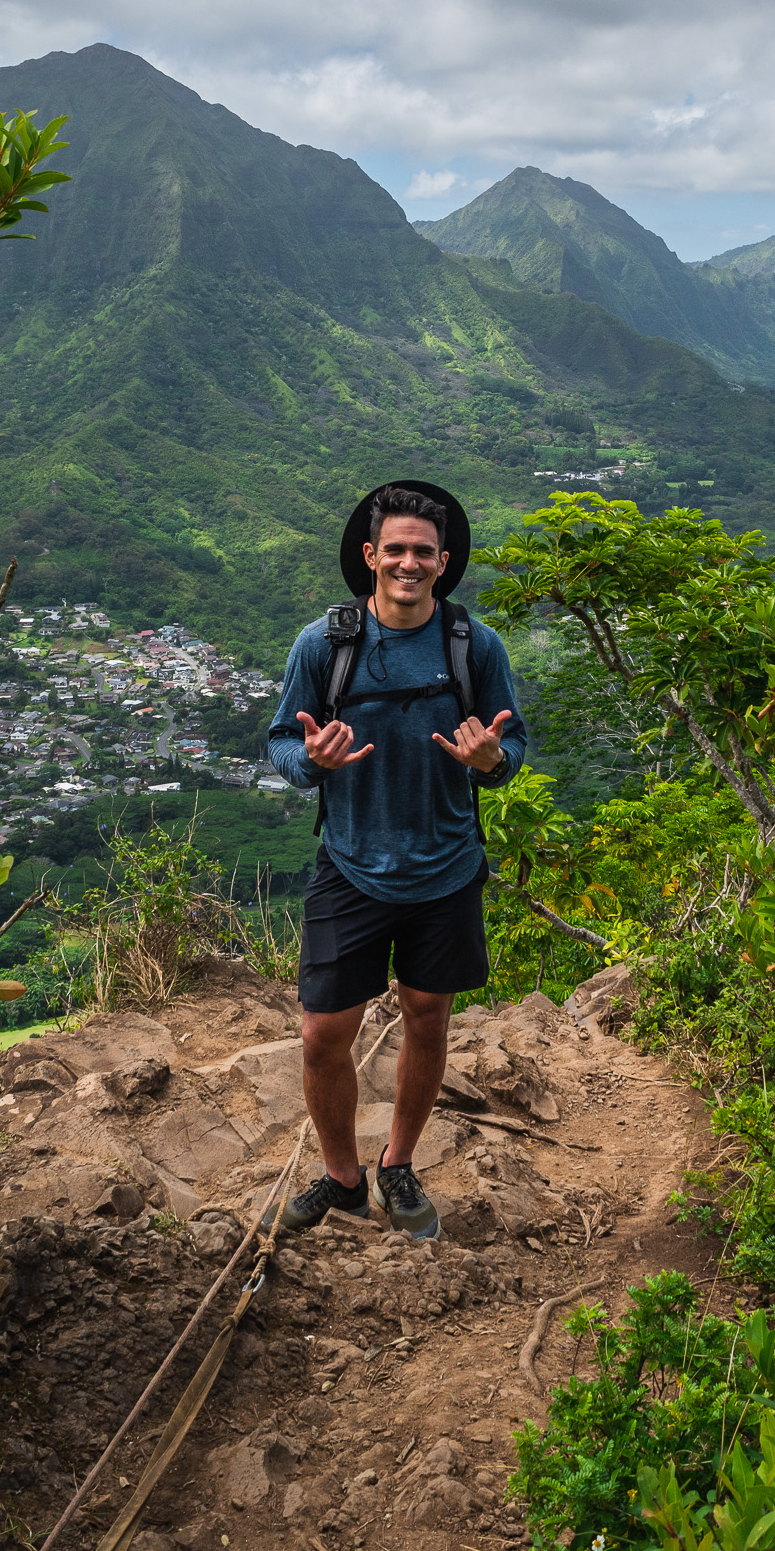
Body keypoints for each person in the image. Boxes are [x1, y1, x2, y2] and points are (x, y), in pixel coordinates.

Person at [265, 481, 527, 1240]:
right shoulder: (325, 644)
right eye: (396, 550)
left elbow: (513, 744)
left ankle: (398, 1165)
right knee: (321, 1033)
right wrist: (311, 762)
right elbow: (282, 738)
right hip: (350, 862)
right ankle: (341, 1178)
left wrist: (489, 762)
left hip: (445, 865)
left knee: (426, 1016)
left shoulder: (473, 646)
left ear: (443, 562)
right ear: (368, 555)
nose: (408, 563)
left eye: (423, 552)